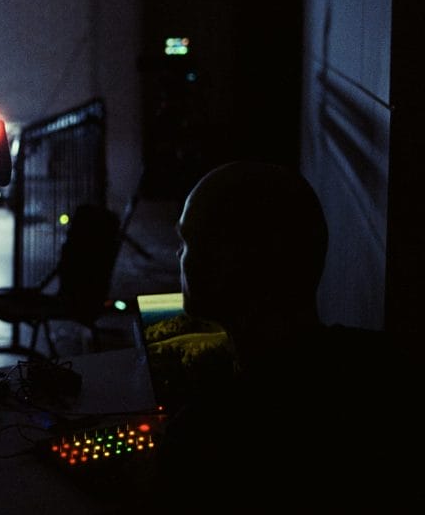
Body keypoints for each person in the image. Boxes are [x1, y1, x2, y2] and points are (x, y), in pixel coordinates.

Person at [147, 161, 417, 512]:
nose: (178, 254)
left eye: (187, 241)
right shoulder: (390, 365)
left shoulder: (203, 439)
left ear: (226, 265)